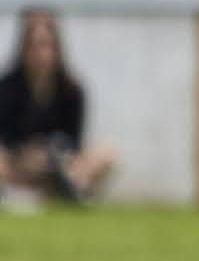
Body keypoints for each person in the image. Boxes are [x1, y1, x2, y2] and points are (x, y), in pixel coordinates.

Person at [0, 12, 118, 206]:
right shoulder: (7, 86)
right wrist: (26, 155)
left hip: (61, 164)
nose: (39, 53)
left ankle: (62, 191)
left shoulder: (72, 89)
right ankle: (34, 194)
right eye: (33, 46)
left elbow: (75, 139)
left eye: (45, 45)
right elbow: (5, 136)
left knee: (107, 154)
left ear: (57, 49)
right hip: (19, 164)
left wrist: (57, 157)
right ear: (23, 48)